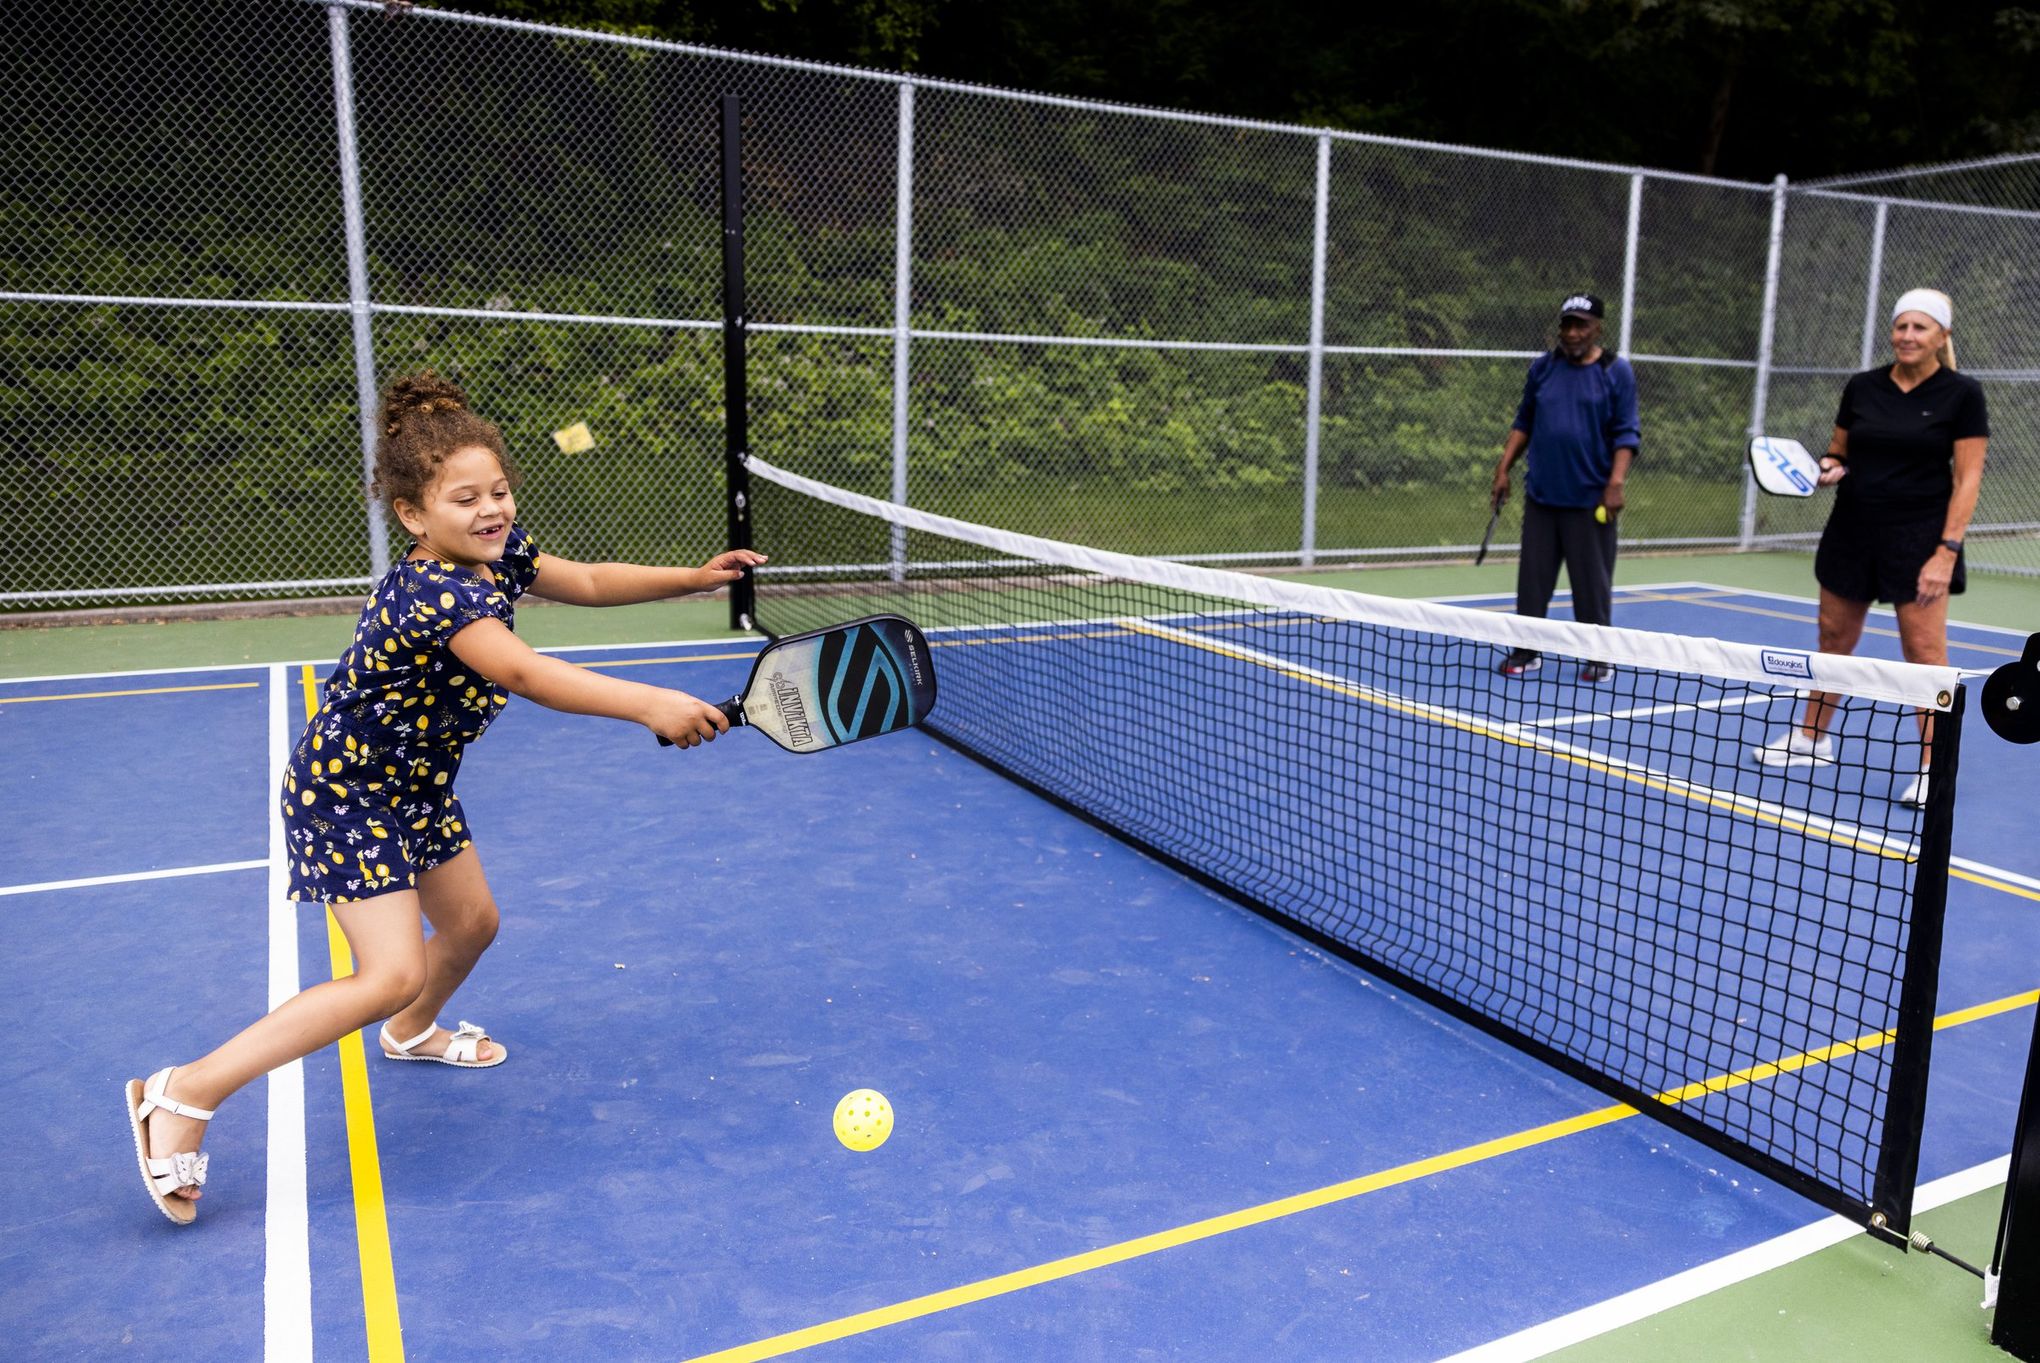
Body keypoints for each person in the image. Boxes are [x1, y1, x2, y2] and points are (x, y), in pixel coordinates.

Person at [124, 371, 766, 1226]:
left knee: (471, 927)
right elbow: (527, 673)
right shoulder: (438, 592)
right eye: (466, 498)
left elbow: (588, 578)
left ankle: (412, 1032)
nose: (492, 509)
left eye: (498, 490)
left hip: (415, 785)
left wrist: (691, 577)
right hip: (347, 792)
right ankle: (181, 1091)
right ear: (415, 516)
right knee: (389, 970)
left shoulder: (498, 555)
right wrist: (651, 702)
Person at [1749, 288, 1988, 807]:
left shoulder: (1962, 395)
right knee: (1833, 639)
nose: (1907, 336)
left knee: (1924, 655)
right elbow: (1839, 452)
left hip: (1920, 538)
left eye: (1920, 328)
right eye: (1901, 326)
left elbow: (1968, 480)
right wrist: (1829, 468)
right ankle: (1812, 737)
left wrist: (1946, 552)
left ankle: (1934, 765)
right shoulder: (1862, 388)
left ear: (1941, 336)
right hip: (1852, 531)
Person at [1490, 292, 1641, 681]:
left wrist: (1616, 483)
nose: (1572, 333)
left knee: (1591, 583)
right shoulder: (1543, 369)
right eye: (1567, 325)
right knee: (1532, 582)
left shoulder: (1614, 372)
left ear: (1597, 329)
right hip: (1542, 496)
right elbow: (1524, 421)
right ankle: (1527, 651)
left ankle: (1597, 655)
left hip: (1591, 500)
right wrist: (1504, 468)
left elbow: (1627, 434)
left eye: (1581, 325)